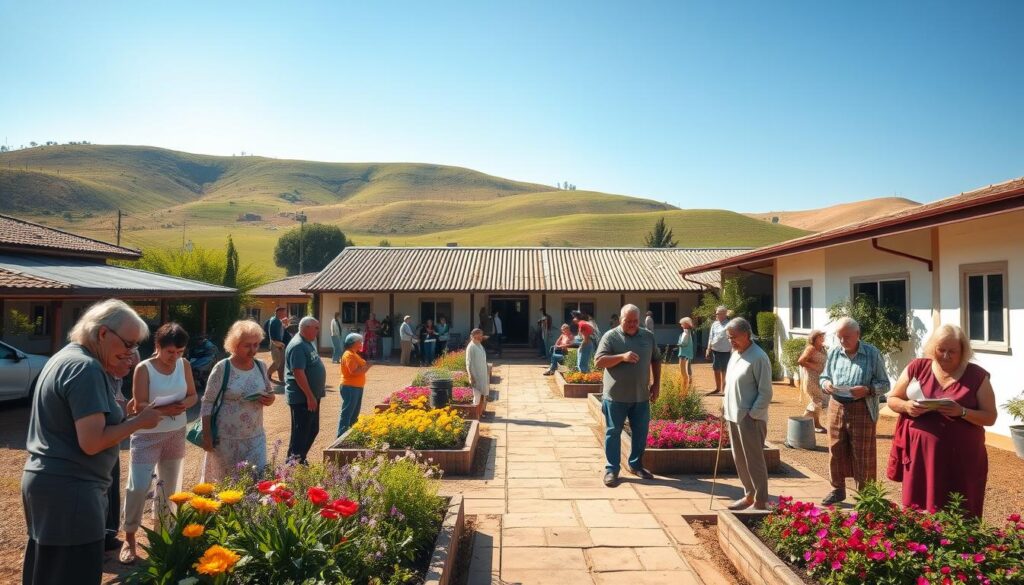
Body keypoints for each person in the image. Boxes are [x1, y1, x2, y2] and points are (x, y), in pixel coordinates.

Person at [21, 299, 164, 585]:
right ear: (102, 333)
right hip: (72, 491)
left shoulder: (66, 357)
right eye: (128, 344)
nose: (131, 353)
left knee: (48, 572)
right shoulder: (86, 368)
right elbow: (92, 442)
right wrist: (140, 422)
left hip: (51, 487)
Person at [886, 325, 997, 518]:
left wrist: (962, 411)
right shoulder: (917, 368)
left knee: (960, 507)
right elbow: (893, 399)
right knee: (918, 506)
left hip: (962, 460)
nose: (946, 355)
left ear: (963, 351)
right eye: (941, 349)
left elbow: (990, 417)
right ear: (933, 348)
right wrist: (906, 406)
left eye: (952, 351)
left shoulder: (976, 376)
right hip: (920, 457)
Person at [120, 323, 198, 564]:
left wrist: (183, 405)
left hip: (175, 431)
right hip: (147, 435)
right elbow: (139, 404)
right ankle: (129, 537)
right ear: (157, 346)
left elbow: (193, 395)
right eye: (170, 352)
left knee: (169, 487)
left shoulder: (184, 365)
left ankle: (164, 533)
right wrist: (165, 409)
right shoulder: (144, 368)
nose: (174, 357)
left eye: (180, 352)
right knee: (138, 486)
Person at [819, 317, 890, 505]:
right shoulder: (834, 353)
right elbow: (824, 377)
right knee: (835, 449)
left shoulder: (872, 353)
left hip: (862, 407)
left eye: (847, 337)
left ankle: (866, 496)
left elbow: (885, 384)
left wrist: (868, 390)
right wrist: (826, 384)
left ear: (858, 334)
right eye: (839, 337)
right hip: (836, 405)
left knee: (862, 453)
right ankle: (837, 489)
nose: (842, 341)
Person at [200, 319, 275, 483]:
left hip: (255, 438)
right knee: (225, 485)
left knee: (255, 482)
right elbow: (208, 402)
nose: (253, 350)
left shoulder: (261, 366)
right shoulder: (222, 367)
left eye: (256, 345)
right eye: (247, 345)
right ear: (234, 345)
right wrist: (207, 435)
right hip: (225, 441)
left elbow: (270, 393)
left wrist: (270, 399)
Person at [596, 305, 661, 487]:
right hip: (615, 397)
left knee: (641, 433)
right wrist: (622, 357)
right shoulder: (610, 336)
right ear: (620, 320)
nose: (632, 324)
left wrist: (656, 384)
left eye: (635, 321)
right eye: (628, 321)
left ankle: (636, 465)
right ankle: (612, 469)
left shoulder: (648, 336)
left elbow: (656, 359)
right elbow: (599, 361)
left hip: (641, 396)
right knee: (613, 433)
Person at [721, 318, 773, 510]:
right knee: (740, 459)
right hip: (733, 415)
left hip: (750, 418)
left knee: (754, 460)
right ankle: (749, 495)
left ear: (746, 334)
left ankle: (760, 500)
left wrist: (753, 414)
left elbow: (766, 392)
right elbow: (730, 384)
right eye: (729, 337)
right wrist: (724, 406)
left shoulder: (759, 357)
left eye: (734, 337)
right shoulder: (735, 354)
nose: (731, 341)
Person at [104, 348, 139, 554]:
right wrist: (136, 420)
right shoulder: (102, 378)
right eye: (127, 362)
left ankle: (109, 534)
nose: (130, 367)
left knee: (112, 486)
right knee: (105, 487)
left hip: (112, 445)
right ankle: (101, 536)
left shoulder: (116, 379)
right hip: (103, 444)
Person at [285, 317, 326, 464]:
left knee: (311, 430)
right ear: (306, 328)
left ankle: (298, 459)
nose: (318, 331)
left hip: (310, 396)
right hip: (302, 398)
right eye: (316, 328)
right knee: (302, 432)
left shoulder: (306, 342)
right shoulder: (298, 345)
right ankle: (293, 464)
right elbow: (298, 372)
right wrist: (309, 396)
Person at [338, 333, 372, 437]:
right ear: (353, 343)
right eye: (359, 342)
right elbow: (354, 371)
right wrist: (367, 367)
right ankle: (341, 436)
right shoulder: (349, 355)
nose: (361, 344)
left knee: (354, 413)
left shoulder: (353, 354)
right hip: (350, 387)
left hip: (356, 387)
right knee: (348, 412)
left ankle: (350, 435)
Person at [797, 329, 828, 433]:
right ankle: (801, 422)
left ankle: (816, 424)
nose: (823, 337)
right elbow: (801, 361)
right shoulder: (811, 348)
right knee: (819, 400)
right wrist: (814, 367)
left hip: (820, 378)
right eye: (820, 336)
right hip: (811, 378)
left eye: (823, 336)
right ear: (814, 338)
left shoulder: (823, 348)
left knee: (817, 401)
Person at [705, 306, 731, 394]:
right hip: (715, 350)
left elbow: (727, 337)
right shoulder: (714, 324)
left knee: (724, 370)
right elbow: (711, 336)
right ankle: (717, 388)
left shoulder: (729, 325)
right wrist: (708, 348)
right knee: (716, 369)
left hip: (725, 351)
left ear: (724, 314)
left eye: (718, 313)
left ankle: (724, 390)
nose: (716, 315)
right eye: (716, 313)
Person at [466, 328, 489, 406]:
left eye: (481, 335)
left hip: (482, 373)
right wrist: (470, 375)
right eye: (479, 335)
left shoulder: (479, 344)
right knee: (477, 395)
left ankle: (480, 410)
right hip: (475, 374)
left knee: (483, 393)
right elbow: (468, 363)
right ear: (474, 336)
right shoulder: (471, 347)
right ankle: (475, 410)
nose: (481, 337)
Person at [267, 306, 288, 384]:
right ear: (279, 312)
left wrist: (284, 324)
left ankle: (281, 379)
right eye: (284, 312)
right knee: (277, 362)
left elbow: (280, 331)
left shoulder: (276, 320)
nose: (285, 314)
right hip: (276, 344)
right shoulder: (275, 321)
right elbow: (272, 335)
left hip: (278, 344)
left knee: (281, 362)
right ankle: (267, 375)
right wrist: (277, 344)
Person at [676, 317, 694, 393]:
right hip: (687, 354)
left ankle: (684, 390)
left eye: (682, 324)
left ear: (686, 324)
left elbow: (684, 343)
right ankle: (687, 388)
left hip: (684, 354)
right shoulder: (688, 332)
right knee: (687, 371)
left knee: (683, 373)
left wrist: (679, 344)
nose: (681, 325)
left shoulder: (686, 332)